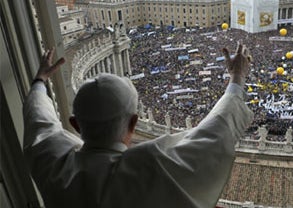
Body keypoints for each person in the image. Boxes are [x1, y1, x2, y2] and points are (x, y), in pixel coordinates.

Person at [23, 43, 254, 208]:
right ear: (134, 122)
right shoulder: (151, 165)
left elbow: (39, 119)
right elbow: (215, 133)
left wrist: (39, 81)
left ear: (75, 125)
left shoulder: (52, 164)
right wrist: (236, 78)